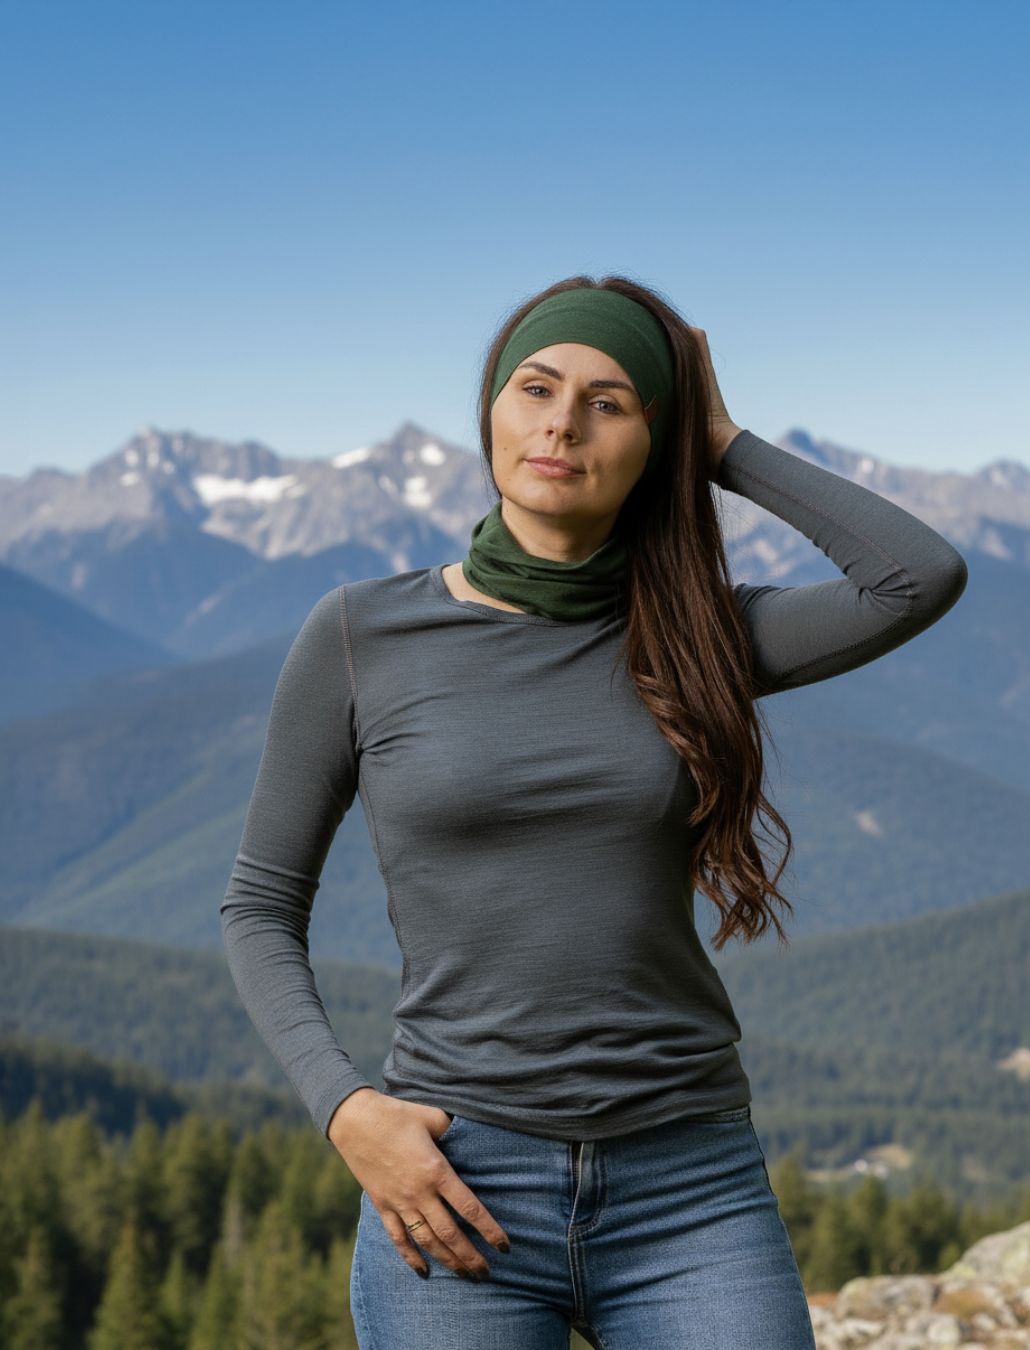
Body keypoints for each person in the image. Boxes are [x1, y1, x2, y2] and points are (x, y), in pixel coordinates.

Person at [220, 275, 968, 1348]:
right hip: (455, 1178)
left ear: (654, 444)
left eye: (609, 401)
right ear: (490, 409)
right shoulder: (358, 636)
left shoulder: (705, 636)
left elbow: (919, 577)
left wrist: (723, 441)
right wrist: (347, 1112)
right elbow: (257, 906)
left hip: (688, 1186)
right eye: (535, 387)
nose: (562, 423)